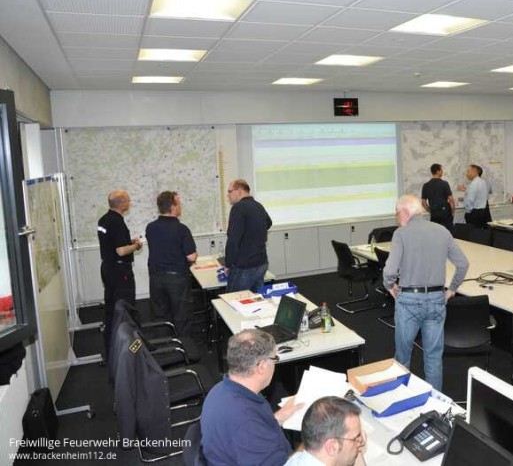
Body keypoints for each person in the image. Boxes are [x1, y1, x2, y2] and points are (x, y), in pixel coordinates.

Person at [384, 195, 469, 391]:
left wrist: (390, 286)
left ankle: (402, 398)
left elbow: (390, 271)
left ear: (405, 212)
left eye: (397, 214)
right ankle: (435, 404)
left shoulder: (401, 234)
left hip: (408, 301)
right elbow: (463, 264)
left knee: (403, 357)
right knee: (433, 357)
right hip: (437, 300)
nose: (397, 218)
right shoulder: (442, 231)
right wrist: (452, 289)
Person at [201, 329, 303, 466]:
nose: (275, 364)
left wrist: (278, 418)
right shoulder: (245, 420)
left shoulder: (220, 390)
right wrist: (311, 447)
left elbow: (252, 430)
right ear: (261, 366)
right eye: (274, 359)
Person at [145, 191, 197, 337]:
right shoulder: (182, 229)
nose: (180, 207)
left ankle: (164, 344)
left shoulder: (150, 227)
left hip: (156, 277)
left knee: (160, 314)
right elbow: (191, 257)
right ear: (173, 207)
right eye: (178, 204)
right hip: (177, 278)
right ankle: (184, 345)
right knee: (181, 315)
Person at [97, 190, 142, 357]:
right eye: (128, 200)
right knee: (125, 309)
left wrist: (128, 242)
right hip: (120, 271)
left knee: (111, 309)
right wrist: (136, 246)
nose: (129, 203)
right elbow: (121, 251)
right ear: (121, 203)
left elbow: (112, 244)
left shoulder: (104, 220)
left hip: (108, 268)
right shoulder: (116, 221)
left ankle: (110, 349)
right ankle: (130, 351)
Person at [285, 397, 367, 466]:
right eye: (355, 439)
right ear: (332, 447)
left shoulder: (298, 458)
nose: (361, 442)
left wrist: (355, 446)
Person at [225, 179, 273, 292]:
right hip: (261, 262)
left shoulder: (238, 208)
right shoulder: (258, 206)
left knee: (233, 299)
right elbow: (269, 223)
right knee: (256, 298)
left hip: (244, 265)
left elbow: (233, 240)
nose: (228, 195)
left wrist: (228, 264)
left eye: (230, 191)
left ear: (239, 191)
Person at [421, 163, 455, 233]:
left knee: (436, 233)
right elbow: (451, 200)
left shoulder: (426, 185)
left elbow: (423, 203)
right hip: (445, 213)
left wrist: (430, 211)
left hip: (434, 214)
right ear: (438, 171)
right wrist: (452, 212)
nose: (442, 171)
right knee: (447, 233)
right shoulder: (444, 184)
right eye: (441, 170)